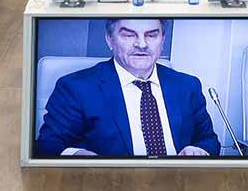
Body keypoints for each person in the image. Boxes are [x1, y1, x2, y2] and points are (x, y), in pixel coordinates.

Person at [36, 18, 220, 157]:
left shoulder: (187, 85)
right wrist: (78, 155)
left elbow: (209, 140)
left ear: (162, 40)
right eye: (129, 35)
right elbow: (48, 144)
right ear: (110, 40)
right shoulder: (76, 88)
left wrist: (198, 150)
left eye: (151, 35)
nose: (142, 44)